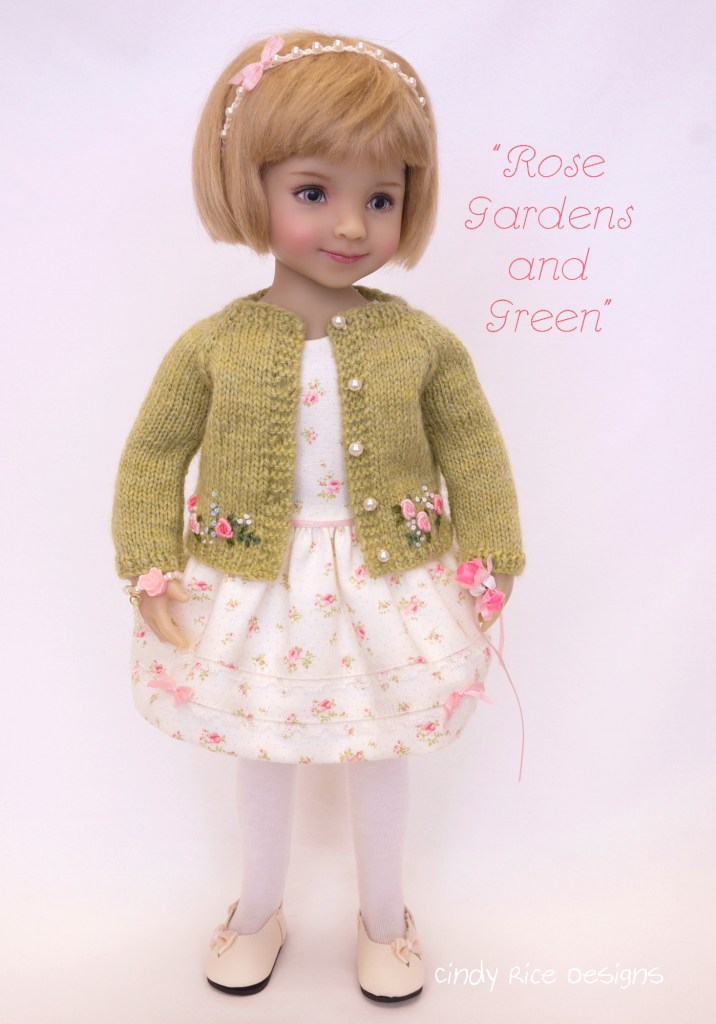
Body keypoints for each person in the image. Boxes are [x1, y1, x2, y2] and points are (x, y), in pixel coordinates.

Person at [111, 30, 526, 1004]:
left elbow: (472, 449)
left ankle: (385, 916)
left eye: (379, 198)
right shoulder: (213, 345)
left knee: (382, 746)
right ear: (247, 187)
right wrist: (148, 560)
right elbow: (153, 455)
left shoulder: (422, 345)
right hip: (255, 583)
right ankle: (258, 908)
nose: (350, 224)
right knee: (261, 745)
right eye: (312, 191)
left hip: (385, 579)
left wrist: (493, 549)